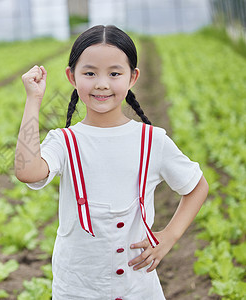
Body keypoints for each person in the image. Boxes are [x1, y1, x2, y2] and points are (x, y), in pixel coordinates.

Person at [14, 25, 209, 299]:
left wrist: (169, 237)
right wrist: (33, 100)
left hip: (138, 287)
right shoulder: (64, 141)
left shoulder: (152, 141)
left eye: (114, 73)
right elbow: (27, 171)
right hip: (77, 288)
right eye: (90, 73)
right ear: (71, 76)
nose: (102, 83)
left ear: (133, 77)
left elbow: (196, 186)